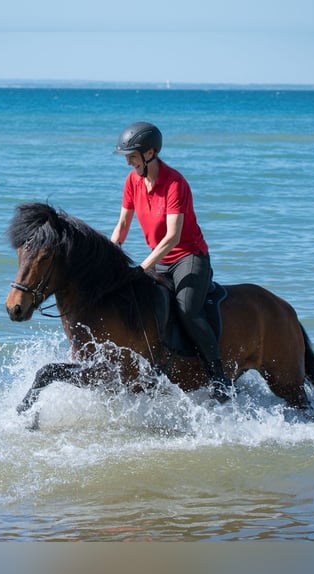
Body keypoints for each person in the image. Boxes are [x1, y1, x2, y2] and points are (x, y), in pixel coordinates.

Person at [110, 121, 233, 402]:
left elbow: (172, 238)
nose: (128, 162)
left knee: (187, 309)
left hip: (188, 257)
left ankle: (219, 377)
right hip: (159, 258)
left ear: (150, 152)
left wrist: (141, 268)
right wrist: (108, 255)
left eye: (132, 156)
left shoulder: (175, 184)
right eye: (127, 157)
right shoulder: (132, 181)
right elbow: (122, 225)